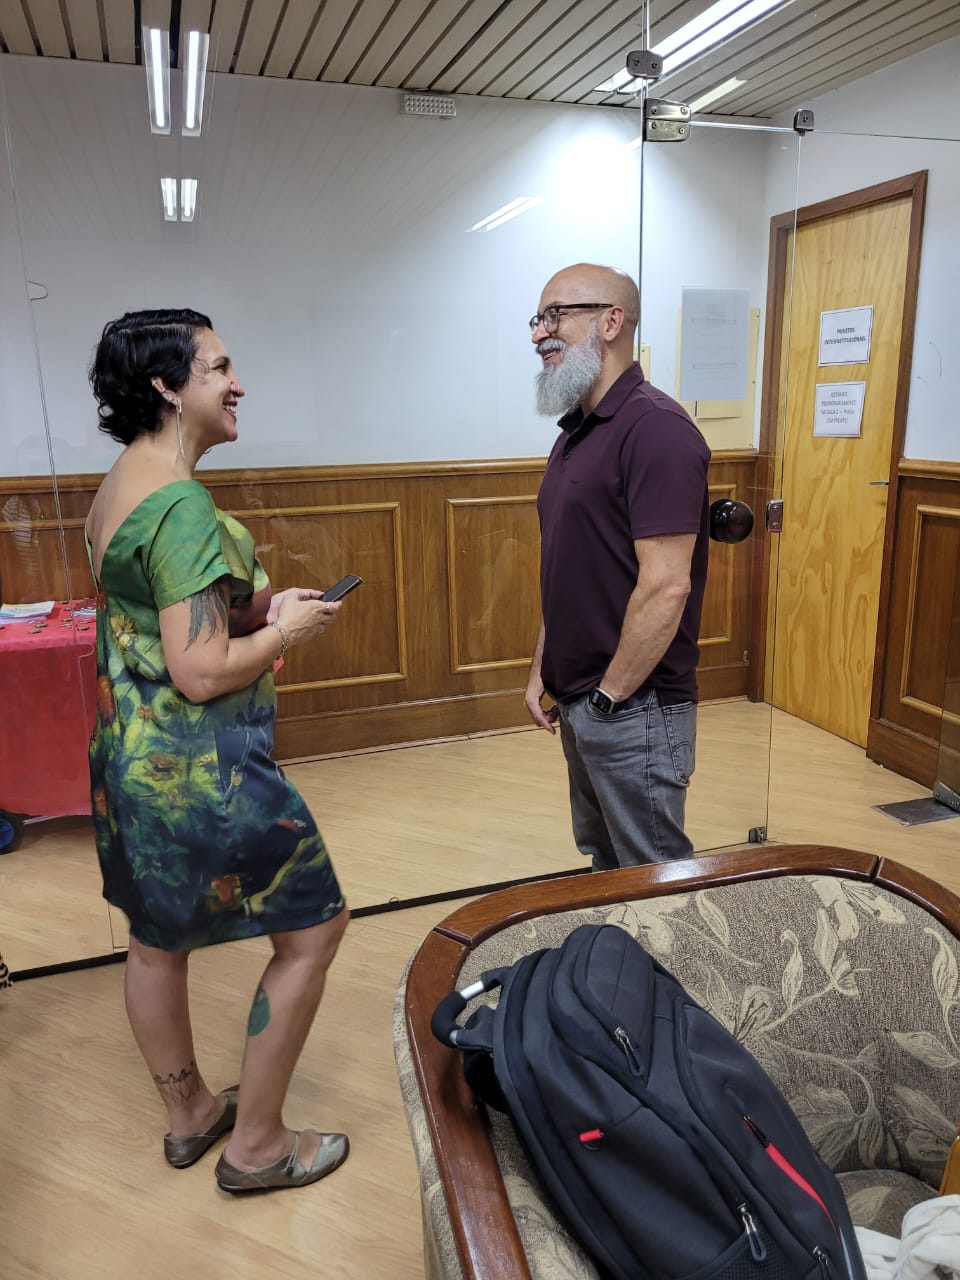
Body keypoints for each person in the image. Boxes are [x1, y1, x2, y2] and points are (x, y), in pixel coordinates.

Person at [84, 309, 350, 1193]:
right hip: (205, 775)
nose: (238, 385)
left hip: (132, 763)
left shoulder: (120, 487)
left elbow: (161, 617)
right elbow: (199, 672)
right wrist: (287, 633)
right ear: (167, 385)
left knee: (156, 942)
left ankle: (192, 1114)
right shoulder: (183, 505)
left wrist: (258, 610)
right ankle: (259, 1146)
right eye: (219, 368)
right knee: (315, 931)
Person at [524, 264, 711, 869]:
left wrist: (608, 701)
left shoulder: (657, 430)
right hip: (583, 700)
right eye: (538, 318)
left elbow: (666, 586)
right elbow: (571, 568)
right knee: (607, 866)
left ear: (611, 322)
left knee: (655, 877)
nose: (540, 333)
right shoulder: (575, 432)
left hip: (635, 707)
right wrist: (544, 669)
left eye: (556, 315)